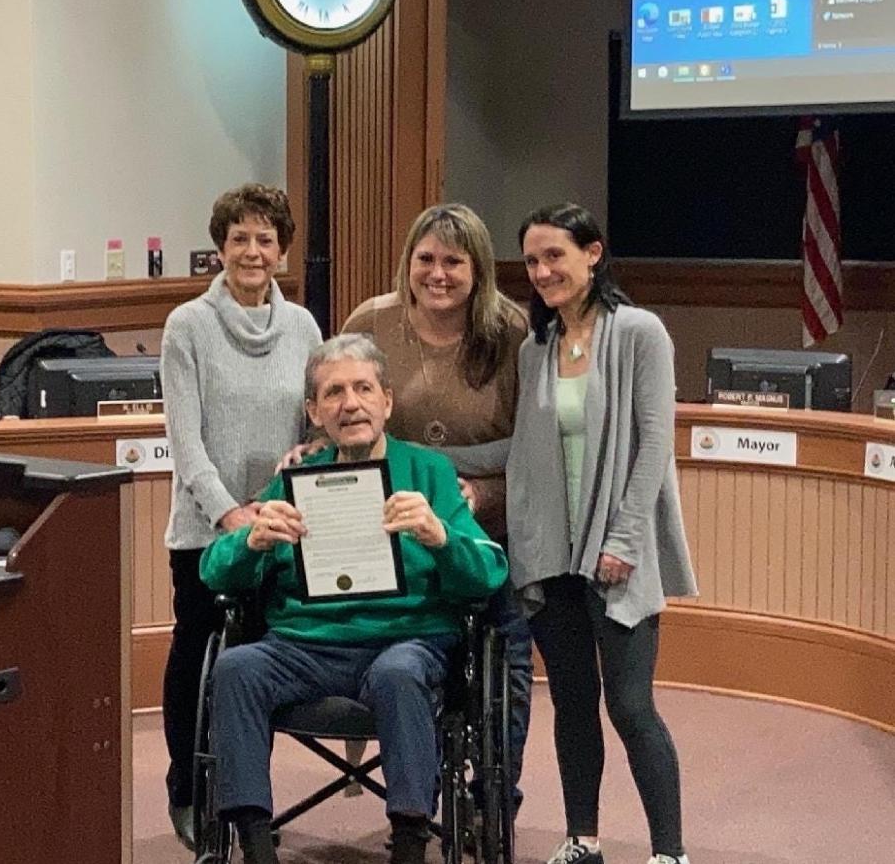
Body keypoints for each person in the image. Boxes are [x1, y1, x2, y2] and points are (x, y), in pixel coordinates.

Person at [201, 334, 508, 864]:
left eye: (364, 388)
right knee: (237, 668)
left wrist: (440, 537)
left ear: (387, 401)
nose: (351, 403)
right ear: (314, 411)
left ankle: (409, 842)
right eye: (334, 392)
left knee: (399, 673)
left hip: (405, 640)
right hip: (303, 646)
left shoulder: (430, 474)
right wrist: (250, 542)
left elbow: (487, 574)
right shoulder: (293, 481)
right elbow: (214, 571)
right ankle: (254, 843)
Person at [506, 202, 698, 864]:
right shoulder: (538, 348)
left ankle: (668, 852)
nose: (542, 271)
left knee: (630, 705)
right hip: (552, 558)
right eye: (531, 260)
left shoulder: (641, 332)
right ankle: (582, 838)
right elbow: (522, 449)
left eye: (554, 255)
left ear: (593, 253)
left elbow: (653, 448)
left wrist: (623, 540)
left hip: (617, 555)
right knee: (573, 704)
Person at [340, 203, 534, 815]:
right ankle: (414, 799)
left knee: (511, 652)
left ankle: (494, 796)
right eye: (426, 258)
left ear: (477, 269)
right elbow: (333, 420)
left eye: (454, 260)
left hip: (487, 524)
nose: (438, 273)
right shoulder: (372, 321)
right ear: (409, 262)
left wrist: (474, 494)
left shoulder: (511, 331)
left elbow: (532, 446)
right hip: (387, 529)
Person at [159, 183, 322, 850]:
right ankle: (188, 793)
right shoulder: (187, 327)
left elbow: (312, 426)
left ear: (282, 251)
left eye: (265, 239)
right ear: (220, 248)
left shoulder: (305, 327)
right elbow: (185, 441)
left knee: (255, 674)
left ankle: (245, 803)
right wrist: (231, 516)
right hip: (208, 533)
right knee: (198, 662)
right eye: (239, 239)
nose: (252, 251)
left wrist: (295, 480)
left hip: (280, 532)